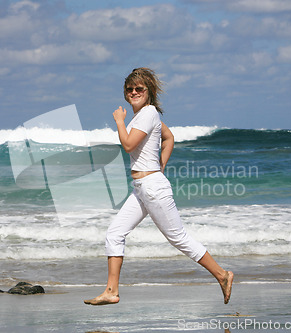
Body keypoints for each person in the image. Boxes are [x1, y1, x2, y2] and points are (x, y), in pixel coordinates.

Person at [84, 68, 233, 306]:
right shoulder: (145, 116)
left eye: (139, 88)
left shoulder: (147, 113)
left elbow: (129, 145)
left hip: (152, 187)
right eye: (130, 89)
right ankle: (111, 291)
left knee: (178, 238)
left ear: (149, 91)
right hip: (142, 188)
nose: (134, 92)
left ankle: (222, 274)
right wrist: (160, 163)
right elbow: (169, 137)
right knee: (115, 233)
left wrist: (120, 122)